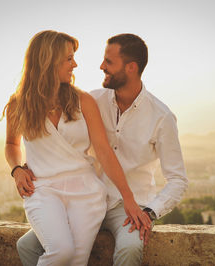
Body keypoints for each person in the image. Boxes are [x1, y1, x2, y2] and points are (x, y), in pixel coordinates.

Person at [16, 33, 188, 266]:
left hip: (128, 208)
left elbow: (178, 179)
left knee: (129, 249)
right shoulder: (91, 100)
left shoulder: (161, 117)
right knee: (26, 246)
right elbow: (55, 133)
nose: (101, 66)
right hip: (85, 197)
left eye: (108, 62)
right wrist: (23, 166)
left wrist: (149, 212)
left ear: (130, 67)